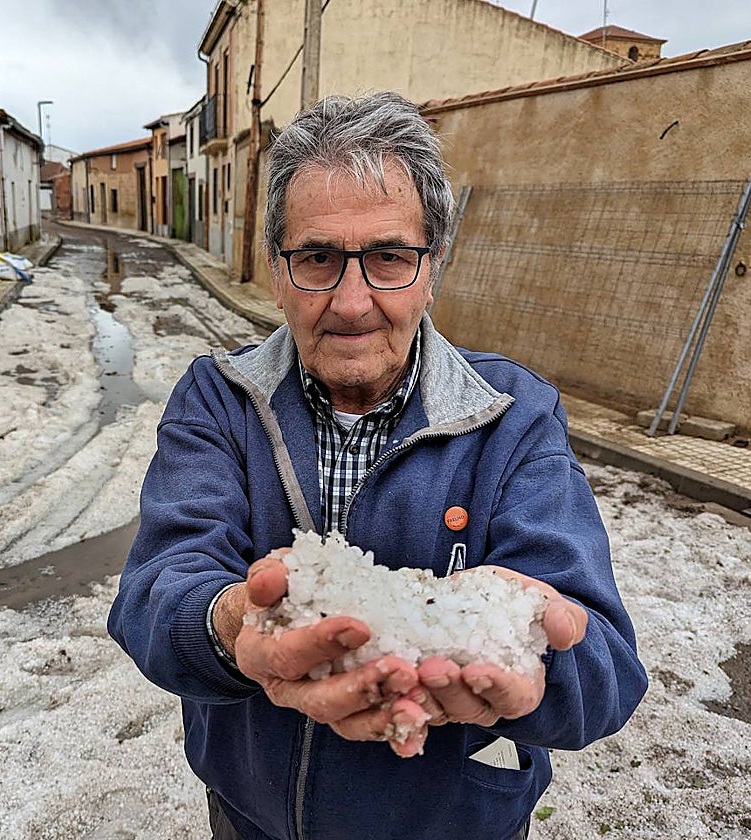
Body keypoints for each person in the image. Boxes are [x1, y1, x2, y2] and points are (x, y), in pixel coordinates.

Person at [108, 92, 647, 840]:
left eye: (389, 257)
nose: (353, 302)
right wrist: (232, 622)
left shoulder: (515, 417)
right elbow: (154, 595)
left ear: (433, 269)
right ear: (276, 269)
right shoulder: (218, 400)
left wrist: (533, 650)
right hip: (252, 817)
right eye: (318, 258)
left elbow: (609, 677)